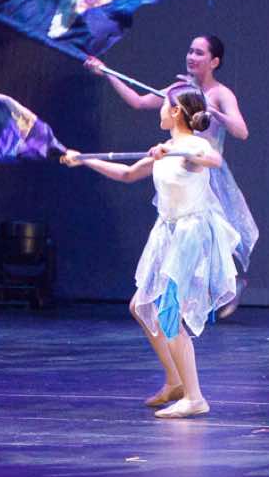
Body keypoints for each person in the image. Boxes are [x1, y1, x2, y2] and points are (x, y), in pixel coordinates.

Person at [60, 88, 236, 419]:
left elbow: (214, 159)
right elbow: (127, 173)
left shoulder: (193, 146)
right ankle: (175, 380)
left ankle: (195, 397)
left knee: (169, 312)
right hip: (168, 232)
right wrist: (83, 159)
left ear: (176, 112)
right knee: (140, 306)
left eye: (164, 106)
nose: (159, 110)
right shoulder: (165, 148)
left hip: (190, 234)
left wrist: (180, 153)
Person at [87, 32, 256, 317]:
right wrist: (106, 73)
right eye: (190, 51)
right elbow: (139, 102)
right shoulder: (180, 90)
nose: (192, 57)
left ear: (214, 61)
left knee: (211, 233)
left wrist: (212, 110)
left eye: (199, 53)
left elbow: (242, 131)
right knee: (178, 233)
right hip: (179, 170)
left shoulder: (221, 94)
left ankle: (223, 284)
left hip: (206, 169)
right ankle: (185, 296)